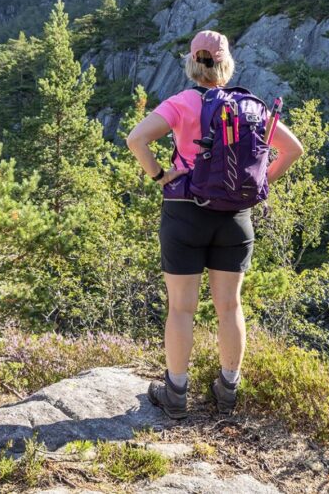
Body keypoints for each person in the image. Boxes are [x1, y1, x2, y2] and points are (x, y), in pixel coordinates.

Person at [126, 30, 304, 418]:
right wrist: (258, 184)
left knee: (181, 309)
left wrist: (160, 175)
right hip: (235, 218)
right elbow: (294, 150)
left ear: (193, 63)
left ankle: (175, 393)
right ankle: (228, 390)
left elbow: (136, 139)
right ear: (226, 64)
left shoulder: (183, 102)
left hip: (185, 212)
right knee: (229, 306)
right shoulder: (252, 107)